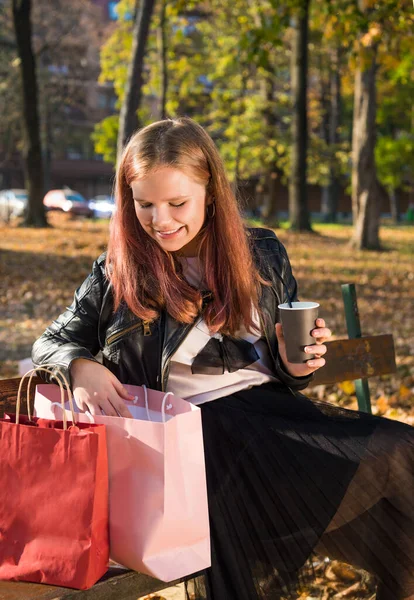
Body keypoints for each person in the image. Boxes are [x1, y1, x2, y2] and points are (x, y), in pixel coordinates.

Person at [32, 117, 414, 600]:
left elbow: (281, 368)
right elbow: (50, 341)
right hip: (198, 439)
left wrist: (299, 366)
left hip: (274, 418)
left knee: (401, 454)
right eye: (144, 204)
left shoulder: (263, 253)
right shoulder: (116, 272)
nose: (161, 220)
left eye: (177, 203)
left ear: (211, 192)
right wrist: (78, 365)